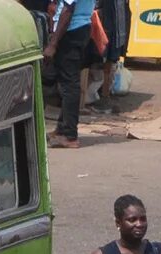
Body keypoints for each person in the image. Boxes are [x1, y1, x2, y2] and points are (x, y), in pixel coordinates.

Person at [48, 0, 101, 146]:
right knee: (68, 82)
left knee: (69, 84)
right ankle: (62, 129)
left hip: (71, 31)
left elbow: (68, 10)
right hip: (79, 29)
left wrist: (53, 43)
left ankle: (69, 135)